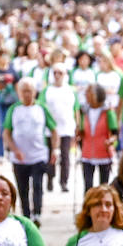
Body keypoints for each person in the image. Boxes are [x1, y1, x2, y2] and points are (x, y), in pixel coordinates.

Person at [3, 78, 57, 226]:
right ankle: (26, 215)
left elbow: (54, 129)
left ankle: (37, 213)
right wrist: (14, 149)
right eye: (24, 91)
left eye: (30, 91)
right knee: (22, 188)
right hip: (19, 157)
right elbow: (6, 132)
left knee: (38, 185)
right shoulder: (14, 109)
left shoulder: (42, 108)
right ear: (19, 93)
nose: (27, 94)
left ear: (34, 92)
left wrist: (55, 150)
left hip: (39, 154)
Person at [40, 63, 79, 192]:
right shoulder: (47, 90)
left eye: (60, 73)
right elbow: (41, 108)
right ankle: (50, 178)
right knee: (51, 155)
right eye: (55, 72)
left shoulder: (71, 91)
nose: (57, 75)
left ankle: (64, 181)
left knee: (65, 156)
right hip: (51, 129)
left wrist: (77, 125)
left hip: (67, 127)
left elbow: (76, 109)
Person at [77, 80, 120, 191]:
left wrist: (111, 140)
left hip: (103, 153)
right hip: (87, 153)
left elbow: (115, 132)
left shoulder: (108, 112)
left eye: (89, 93)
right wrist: (78, 133)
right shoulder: (84, 112)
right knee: (88, 186)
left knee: (104, 186)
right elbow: (82, 131)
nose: (86, 96)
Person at [0, 49, 19, 162]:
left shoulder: (13, 71)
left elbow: (17, 86)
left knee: (11, 126)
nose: (4, 58)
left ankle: (11, 151)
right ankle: (0, 153)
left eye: (6, 55)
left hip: (11, 102)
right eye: (1, 56)